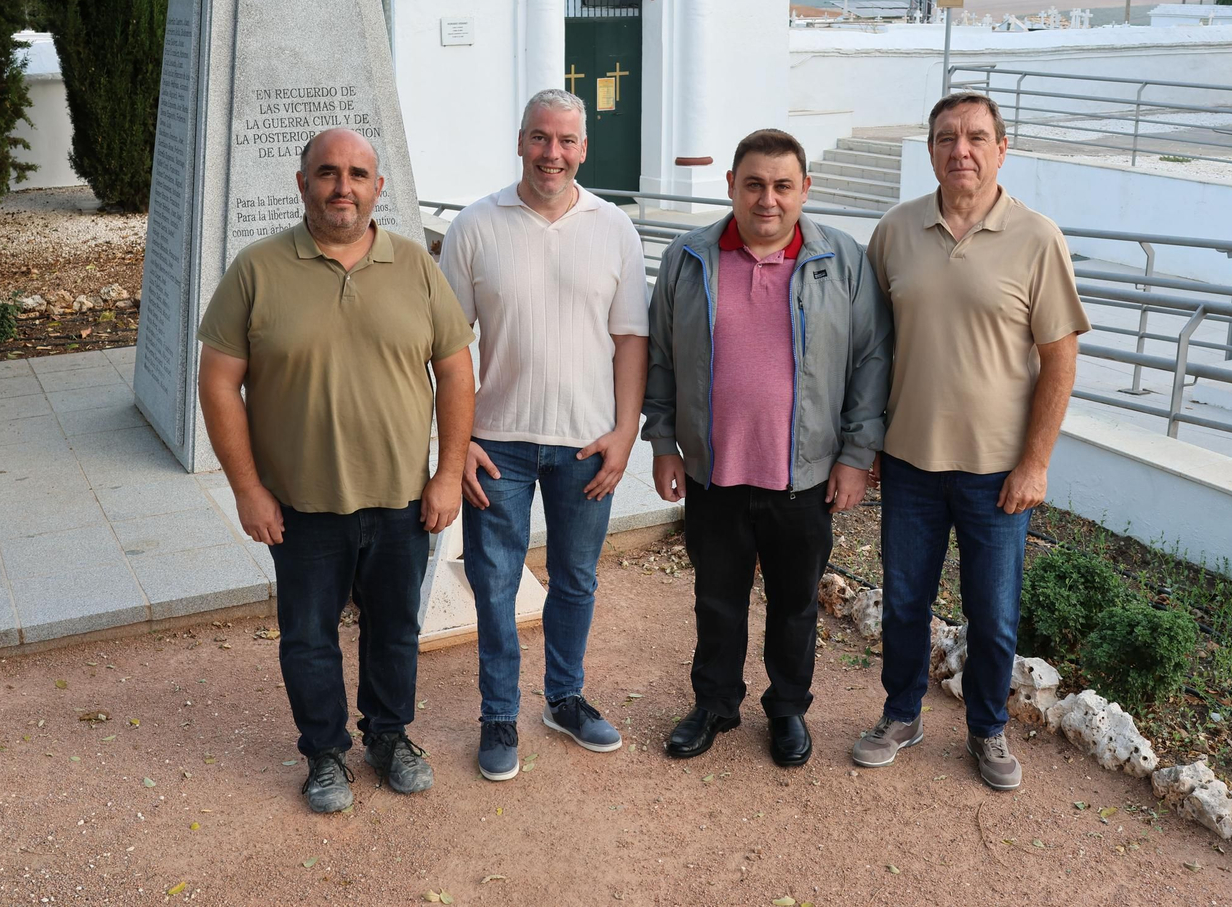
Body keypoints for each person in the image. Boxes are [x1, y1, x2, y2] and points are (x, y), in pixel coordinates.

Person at [197, 127, 475, 814]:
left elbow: (456, 373)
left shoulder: (415, 266)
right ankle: (324, 751)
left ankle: (389, 735)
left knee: (395, 629)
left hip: (401, 501)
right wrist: (247, 489)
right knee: (309, 637)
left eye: (357, 174)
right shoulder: (257, 270)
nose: (341, 186)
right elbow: (217, 382)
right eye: (327, 173)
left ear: (379, 188)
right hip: (300, 506)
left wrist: (447, 474)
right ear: (303, 184)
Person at [852, 92, 1090, 791]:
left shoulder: (1037, 237)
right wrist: (862, 446)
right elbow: (870, 350)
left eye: (977, 137)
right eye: (947, 137)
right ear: (930, 149)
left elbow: (1061, 357)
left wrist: (1036, 462)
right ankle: (902, 714)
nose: (962, 149)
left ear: (1001, 148)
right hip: (909, 463)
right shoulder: (894, 232)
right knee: (902, 602)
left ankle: (987, 730)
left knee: (992, 613)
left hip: (998, 474)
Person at [644, 128, 892, 766]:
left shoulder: (843, 261)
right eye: (753, 184)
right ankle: (715, 704)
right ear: (731, 185)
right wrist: (665, 440)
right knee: (716, 599)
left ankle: (787, 710)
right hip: (713, 471)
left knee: (794, 603)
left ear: (805, 190)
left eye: (783, 186)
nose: (768, 199)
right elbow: (664, 358)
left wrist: (856, 455)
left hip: (803, 474)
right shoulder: (688, 258)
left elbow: (869, 361)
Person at [438, 88, 649, 781]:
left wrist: (625, 432)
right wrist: (457, 440)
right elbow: (447, 345)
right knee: (496, 584)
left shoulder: (614, 227)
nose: (551, 154)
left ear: (583, 148)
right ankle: (499, 714)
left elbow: (630, 340)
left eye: (565, 141)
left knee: (577, 579)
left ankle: (564, 698)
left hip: (586, 445)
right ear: (520, 141)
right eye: (539, 138)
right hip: (495, 444)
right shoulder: (476, 226)